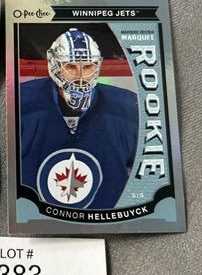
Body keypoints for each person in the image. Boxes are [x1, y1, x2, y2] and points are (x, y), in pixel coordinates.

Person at [20, 28, 138, 210]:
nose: (80, 77)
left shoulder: (128, 106)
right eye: (71, 67)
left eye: (88, 67)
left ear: (97, 65)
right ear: (55, 65)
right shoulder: (21, 102)